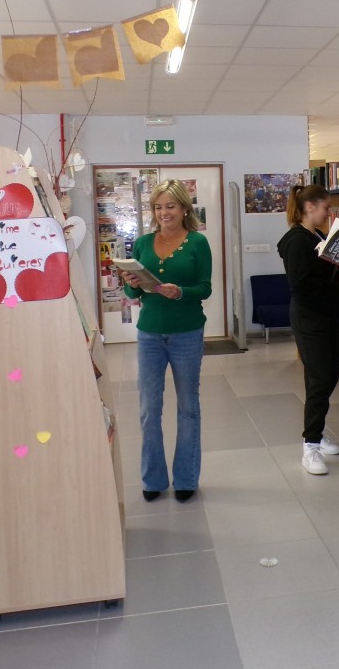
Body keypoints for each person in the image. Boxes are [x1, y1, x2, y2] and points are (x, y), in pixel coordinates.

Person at [119, 179, 212, 503]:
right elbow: (134, 292)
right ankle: (153, 479)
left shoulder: (198, 242)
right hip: (149, 334)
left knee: (188, 408)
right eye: (158, 207)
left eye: (170, 206)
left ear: (184, 207)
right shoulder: (143, 243)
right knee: (148, 408)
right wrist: (131, 283)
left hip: (187, 332)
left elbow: (205, 287)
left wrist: (181, 292)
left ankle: (186, 478)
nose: (164, 213)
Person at [277, 184, 339, 475]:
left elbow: (325, 272)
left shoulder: (317, 236)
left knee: (328, 376)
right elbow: (302, 286)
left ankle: (317, 432)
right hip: (310, 319)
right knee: (319, 380)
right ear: (309, 208)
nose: (328, 213)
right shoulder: (296, 241)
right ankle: (310, 445)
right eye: (325, 208)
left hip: (328, 315)